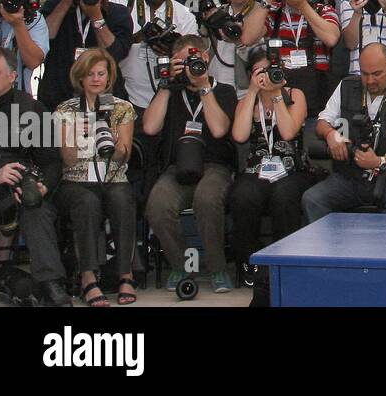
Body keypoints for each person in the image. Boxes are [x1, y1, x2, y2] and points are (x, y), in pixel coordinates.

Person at [142, 35, 238, 294]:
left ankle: (217, 268)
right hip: (176, 167)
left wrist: (204, 87)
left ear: (205, 58)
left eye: (193, 60)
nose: (189, 67)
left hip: (214, 166)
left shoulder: (225, 90)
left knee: (207, 200)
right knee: (158, 205)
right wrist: (165, 84)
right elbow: (150, 127)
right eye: (182, 62)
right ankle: (180, 267)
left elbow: (219, 130)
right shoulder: (170, 92)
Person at [229, 48, 317, 306]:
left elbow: (288, 132)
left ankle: (285, 263)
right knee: (243, 196)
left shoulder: (294, 95)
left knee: (283, 196)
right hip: (256, 168)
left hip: (292, 167)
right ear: (250, 76)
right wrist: (254, 93)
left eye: (269, 70)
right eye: (260, 72)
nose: (266, 76)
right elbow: (240, 136)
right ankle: (252, 265)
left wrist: (277, 94)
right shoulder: (245, 100)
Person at [53, 49, 138, 306]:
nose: (96, 79)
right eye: (90, 74)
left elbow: (124, 158)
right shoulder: (65, 110)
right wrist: (74, 135)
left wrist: (115, 144)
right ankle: (88, 278)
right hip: (75, 181)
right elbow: (66, 161)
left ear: (109, 76)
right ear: (80, 77)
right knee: (86, 202)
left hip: (113, 177)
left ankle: (126, 274)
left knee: (123, 198)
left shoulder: (122, 108)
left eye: (101, 73)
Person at [303, 43, 386, 220]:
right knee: (312, 199)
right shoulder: (346, 86)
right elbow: (322, 122)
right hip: (351, 174)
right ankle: (332, 246)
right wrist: (331, 135)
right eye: (364, 74)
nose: (370, 81)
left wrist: (380, 161)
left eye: (376, 74)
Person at [0, 48, 69, 307]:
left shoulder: (30, 107)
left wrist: (42, 186)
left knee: (35, 206)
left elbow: (51, 162)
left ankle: (51, 283)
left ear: (13, 76)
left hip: (18, 183)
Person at [240, 0, 341, 106]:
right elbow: (247, 38)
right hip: (281, 91)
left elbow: (331, 38)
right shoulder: (273, 12)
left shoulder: (323, 10)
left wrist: (303, 5)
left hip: (317, 92)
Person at [39, 0, 132, 112]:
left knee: (105, 134)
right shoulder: (57, 3)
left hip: (104, 96)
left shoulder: (118, 12)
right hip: (59, 91)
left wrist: (96, 16)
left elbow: (115, 53)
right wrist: (65, 3)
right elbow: (42, 40)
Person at [112, 0, 199, 113]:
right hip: (124, 93)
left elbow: (192, 57)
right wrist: (136, 38)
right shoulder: (120, 5)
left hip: (169, 98)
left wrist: (171, 50)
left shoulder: (184, 15)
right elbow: (105, 47)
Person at [0, 0, 49, 94]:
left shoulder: (33, 18)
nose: (13, 1)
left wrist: (18, 25)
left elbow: (34, 62)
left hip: (17, 96)